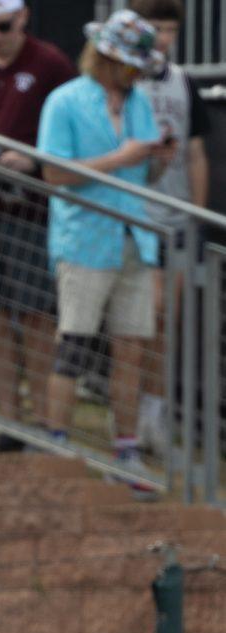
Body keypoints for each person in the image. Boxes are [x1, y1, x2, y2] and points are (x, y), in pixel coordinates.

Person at [36, 10, 173, 479]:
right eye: (128, 63)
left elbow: (143, 173)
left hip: (136, 239)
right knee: (73, 343)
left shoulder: (141, 103)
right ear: (106, 57)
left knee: (132, 348)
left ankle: (126, 450)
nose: (134, 73)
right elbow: (54, 173)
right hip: (84, 241)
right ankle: (55, 441)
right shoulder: (64, 101)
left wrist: (159, 161)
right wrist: (121, 157)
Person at [0, 0, 75, 422]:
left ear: (22, 18)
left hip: (34, 212)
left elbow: (72, 131)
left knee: (38, 315)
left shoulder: (51, 64)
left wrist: (34, 161)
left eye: (3, 26)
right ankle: (8, 415)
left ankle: (42, 416)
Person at [130, 0, 210, 457]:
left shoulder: (183, 81)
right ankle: (128, 413)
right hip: (137, 217)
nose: (161, 39)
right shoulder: (124, 81)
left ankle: (154, 416)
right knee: (144, 316)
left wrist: (196, 216)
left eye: (167, 29)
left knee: (167, 323)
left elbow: (197, 152)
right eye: (153, 28)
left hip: (178, 217)